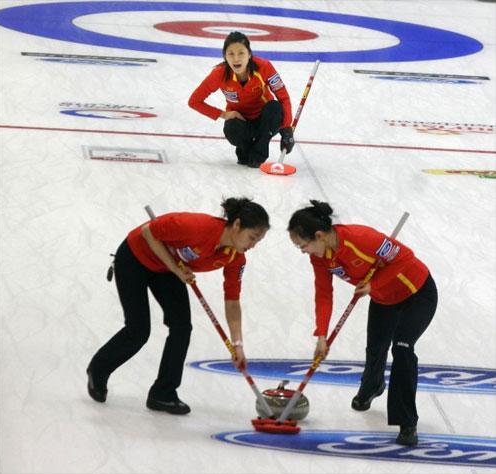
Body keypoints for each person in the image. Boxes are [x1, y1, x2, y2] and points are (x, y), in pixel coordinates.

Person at [87, 197, 270, 415]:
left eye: (257, 241)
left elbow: (232, 301)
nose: (252, 245)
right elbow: (148, 232)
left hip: (166, 269)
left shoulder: (235, 258)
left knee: (182, 327)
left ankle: (163, 393)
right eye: (252, 238)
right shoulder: (197, 227)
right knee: (138, 330)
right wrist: (175, 269)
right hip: (135, 258)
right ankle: (98, 369)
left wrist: (237, 344)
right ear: (237, 225)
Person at [287, 200, 438, 446]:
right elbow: (323, 294)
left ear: (319, 236)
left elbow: (405, 258)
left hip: (416, 292)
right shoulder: (320, 258)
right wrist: (322, 335)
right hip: (383, 298)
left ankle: (406, 422)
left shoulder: (360, 238)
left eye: (303, 245)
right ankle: (373, 385)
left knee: (401, 348)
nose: (303, 251)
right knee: (375, 348)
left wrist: (373, 285)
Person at [188, 31, 294, 168]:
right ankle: (245, 147)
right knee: (231, 127)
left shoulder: (264, 67)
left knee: (274, 107)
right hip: (242, 121)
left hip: (265, 121)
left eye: (241, 53)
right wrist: (224, 114)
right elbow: (194, 101)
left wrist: (286, 128)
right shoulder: (219, 74)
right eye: (231, 54)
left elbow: (283, 97)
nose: (236, 59)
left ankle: (260, 150)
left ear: (249, 54)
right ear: (225, 56)